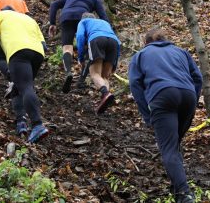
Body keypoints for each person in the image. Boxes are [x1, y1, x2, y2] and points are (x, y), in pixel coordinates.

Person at [128, 28, 203, 203]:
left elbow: (134, 84)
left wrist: (147, 114)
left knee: (169, 148)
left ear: (146, 42)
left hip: (162, 96)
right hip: (188, 95)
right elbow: (198, 78)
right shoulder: (181, 52)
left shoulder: (140, 55)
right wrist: (193, 99)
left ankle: (184, 195)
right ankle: (177, 189)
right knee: (174, 144)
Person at [0, 7, 49, 143]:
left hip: (18, 51)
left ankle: (37, 125)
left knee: (25, 87)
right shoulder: (29, 19)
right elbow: (44, 45)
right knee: (21, 86)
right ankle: (21, 122)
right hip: (37, 53)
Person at [48, 0, 109, 93]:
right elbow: (103, 16)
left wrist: (52, 23)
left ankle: (68, 72)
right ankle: (81, 80)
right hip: (82, 18)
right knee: (87, 48)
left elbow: (54, 4)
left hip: (65, 17)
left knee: (67, 48)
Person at [76, 13, 120, 114]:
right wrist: (115, 64)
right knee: (105, 76)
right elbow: (117, 41)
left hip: (97, 39)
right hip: (114, 42)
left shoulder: (83, 21)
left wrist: (81, 57)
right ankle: (104, 101)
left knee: (95, 74)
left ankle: (105, 93)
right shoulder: (104, 22)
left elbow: (80, 36)